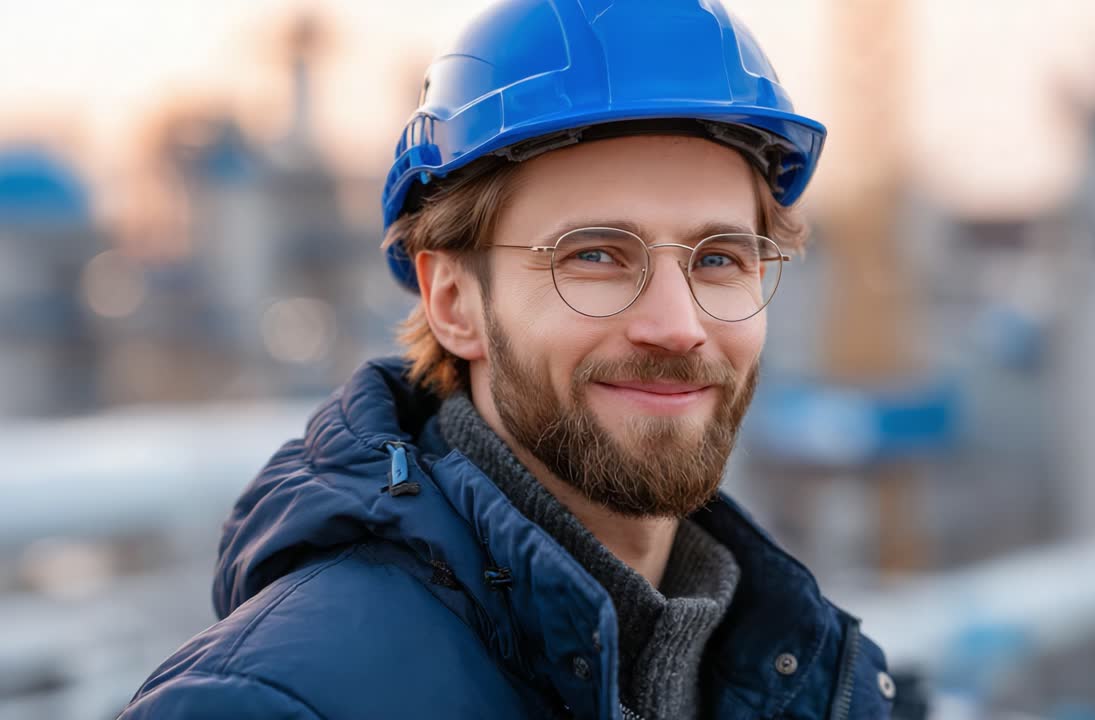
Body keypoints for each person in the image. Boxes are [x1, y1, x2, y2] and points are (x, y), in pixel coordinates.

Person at [120, 1, 901, 718]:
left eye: (719, 259)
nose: (678, 326)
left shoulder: (816, 678)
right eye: (596, 255)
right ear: (454, 303)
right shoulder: (270, 704)